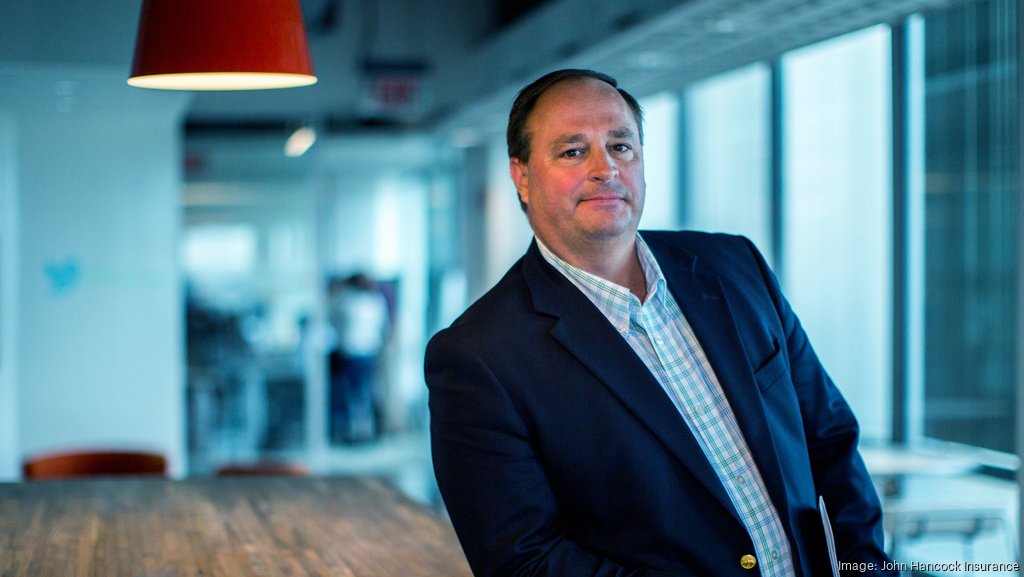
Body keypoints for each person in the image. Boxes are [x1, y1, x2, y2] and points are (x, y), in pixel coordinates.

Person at [425, 69, 896, 577]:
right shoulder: (480, 356)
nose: (605, 168)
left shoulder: (736, 267)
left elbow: (831, 439)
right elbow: (528, 561)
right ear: (521, 175)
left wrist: (865, 570)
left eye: (621, 146)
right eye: (572, 151)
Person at [327, 272, 390, 443]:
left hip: (352, 353)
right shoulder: (375, 302)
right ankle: (365, 431)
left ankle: (356, 432)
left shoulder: (345, 301)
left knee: (353, 393)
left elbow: (330, 317)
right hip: (370, 351)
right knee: (367, 392)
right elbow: (383, 325)